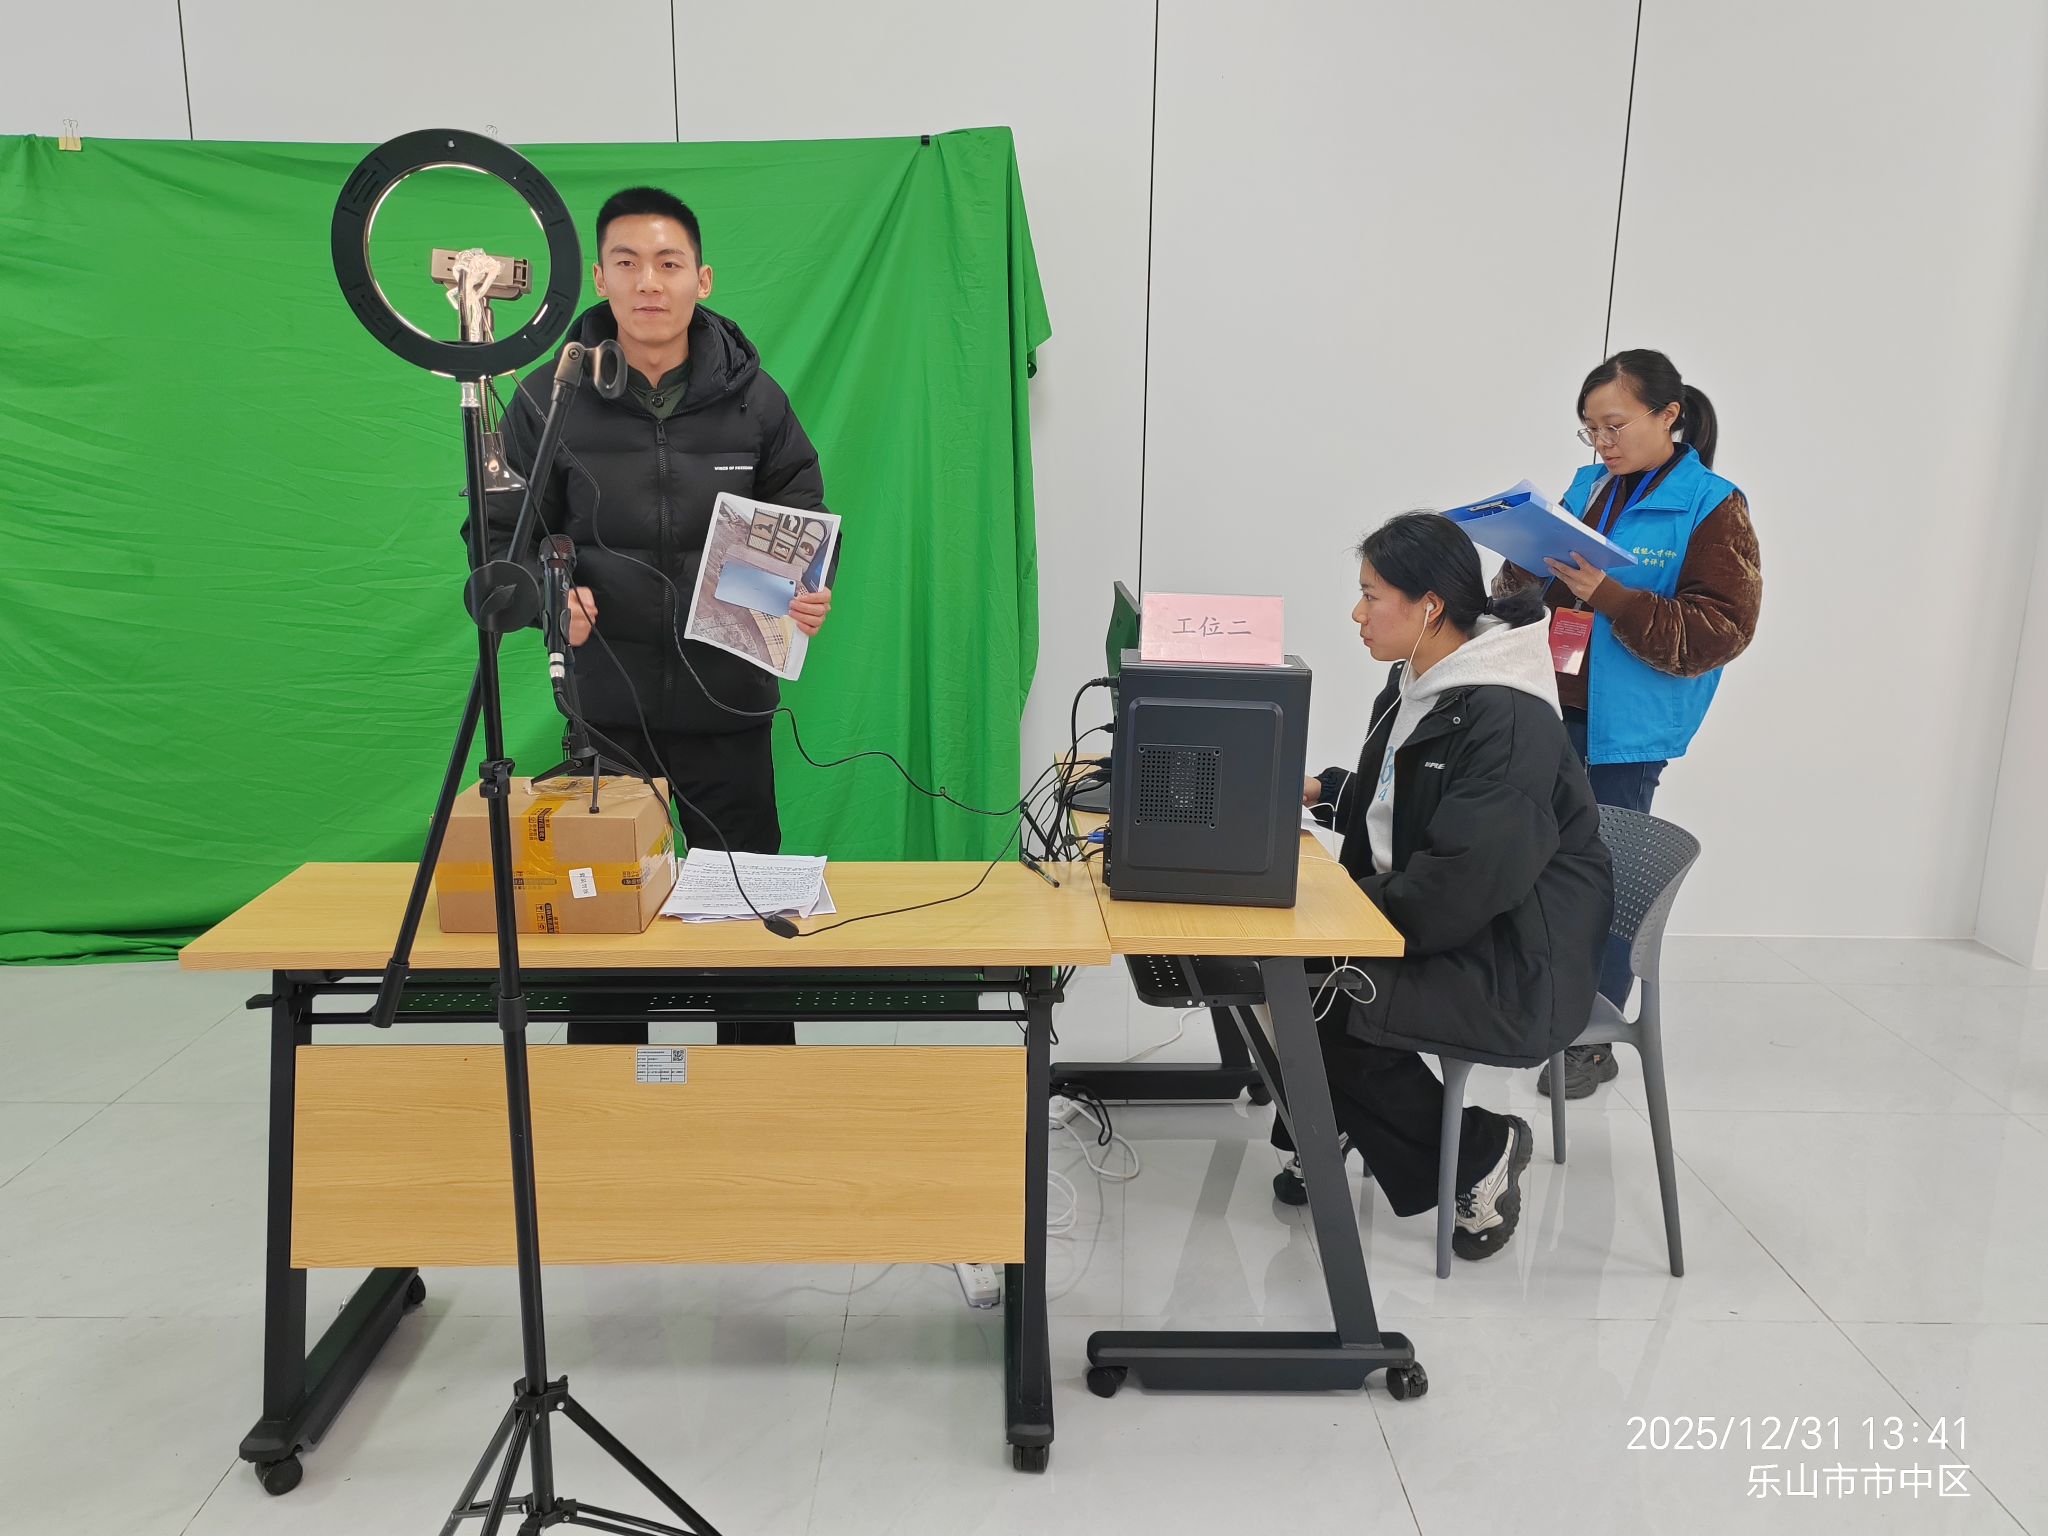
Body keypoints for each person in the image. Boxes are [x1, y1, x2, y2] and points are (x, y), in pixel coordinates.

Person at [485, 186, 834, 1046]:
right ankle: (610, 1091)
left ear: (701, 280)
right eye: (629, 263)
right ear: (600, 278)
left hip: (729, 703)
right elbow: (498, 539)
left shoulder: (756, 401)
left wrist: (808, 590)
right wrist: (549, 599)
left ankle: (755, 1082)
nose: (650, 282)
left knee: (748, 912)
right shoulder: (547, 400)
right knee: (605, 918)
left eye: (669, 263)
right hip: (607, 709)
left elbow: (802, 512)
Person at [1289, 513, 1613, 1260]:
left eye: (1372, 595)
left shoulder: (1507, 716)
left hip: (1515, 952)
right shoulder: (1417, 683)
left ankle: (1480, 1156)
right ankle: (1334, 1120)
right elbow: (1406, 805)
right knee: (1272, 970)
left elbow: (1463, 882)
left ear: (1429, 606)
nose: (1357, 613)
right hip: (1460, 916)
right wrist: (1319, 791)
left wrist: (1333, 914)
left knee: (1322, 998)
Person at [1495, 349, 1761, 1099]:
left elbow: (1721, 630)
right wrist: (1522, 562)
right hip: (1550, 701)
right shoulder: (1588, 487)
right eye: (1590, 429)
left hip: (1626, 727)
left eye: (1614, 425)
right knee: (1533, 861)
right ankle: (1531, 1004)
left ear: (1669, 416)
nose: (1602, 444)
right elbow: (1537, 591)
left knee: (1606, 874)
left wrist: (1610, 596)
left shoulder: (1712, 505)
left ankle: (1595, 1033)